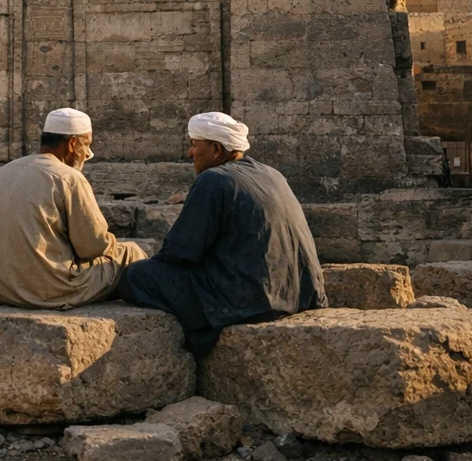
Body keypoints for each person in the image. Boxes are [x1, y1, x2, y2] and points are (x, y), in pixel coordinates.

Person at [118, 111, 327, 356]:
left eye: (194, 145)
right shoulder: (272, 173)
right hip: (299, 294)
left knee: (137, 275)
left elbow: (179, 251)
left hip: (253, 301)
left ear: (216, 149)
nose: (189, 153)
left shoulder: (213, 180)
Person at [0, 107, 147, 309]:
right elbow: (93, 247)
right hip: (42, 289)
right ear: (72, 144)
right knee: (130, 253)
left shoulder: (4, 170)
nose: (87, 154)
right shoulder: (68, 178)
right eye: (86, 145)